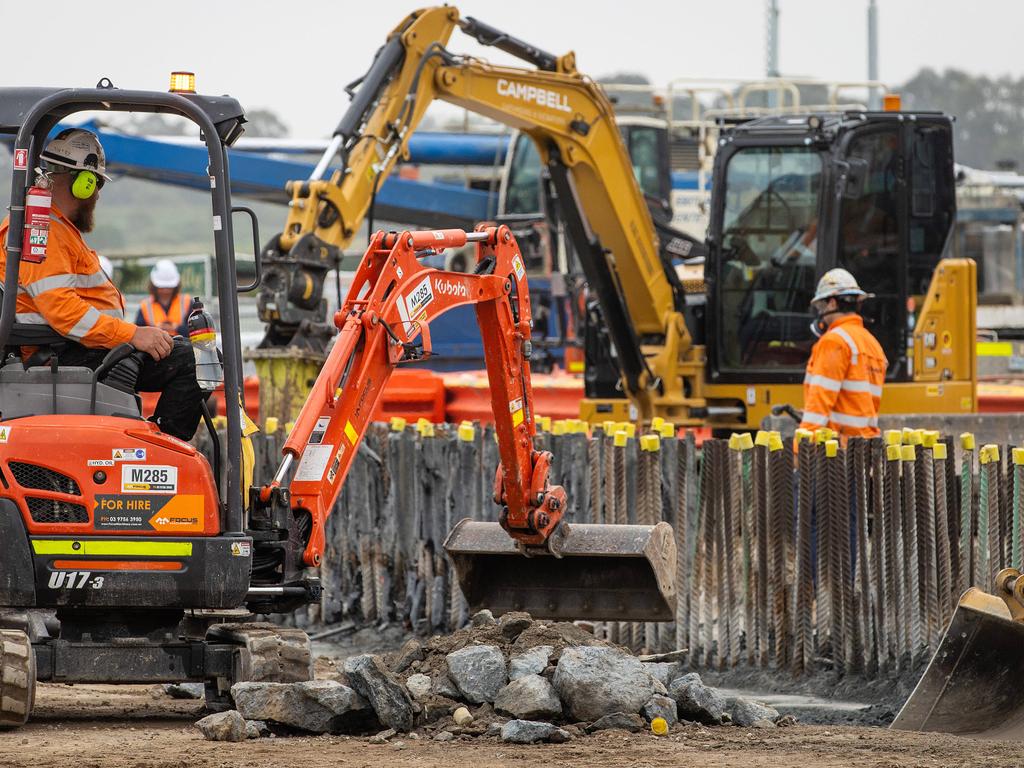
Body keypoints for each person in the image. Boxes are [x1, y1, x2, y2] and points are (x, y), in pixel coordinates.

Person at [0, 128, 206, 441]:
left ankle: (158, 446)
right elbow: (64, 312)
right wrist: (133, 335)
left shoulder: (49, 228)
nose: (97, 194)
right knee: (192, 359)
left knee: (178, 350)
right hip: (64, 355)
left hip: (70, 349)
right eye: (95, 184)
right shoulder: (45, 232)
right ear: (82, 184)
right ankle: (162, 451)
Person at [798, 268, 887, 440]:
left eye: (821, 307)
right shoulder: (872, 344)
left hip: (836, 453)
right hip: (864, 449)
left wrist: (798, 451)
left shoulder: (834, 341)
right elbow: (856, 403)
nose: (821, 314)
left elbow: (819, 405)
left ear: (832, 303)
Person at [136, 259, 191, 337]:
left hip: (183, 346)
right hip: (153, 347)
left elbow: (195, 331)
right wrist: (155, 329)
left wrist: (177, 328)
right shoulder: (145, 305)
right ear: (154, 285)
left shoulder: (186, 302)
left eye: (168, 287)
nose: (165, 291)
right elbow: (138, 332)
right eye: (162, 287)